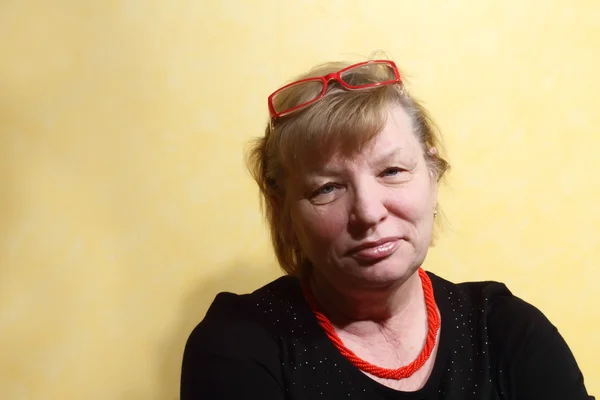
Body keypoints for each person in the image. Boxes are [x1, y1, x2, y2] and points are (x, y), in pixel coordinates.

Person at [180, 59, 594, 399]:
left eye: (392, 171)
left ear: (433, 175)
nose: (367, 212)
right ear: (284, 211)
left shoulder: (504, 328)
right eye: (327, 188)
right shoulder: (240, 345)